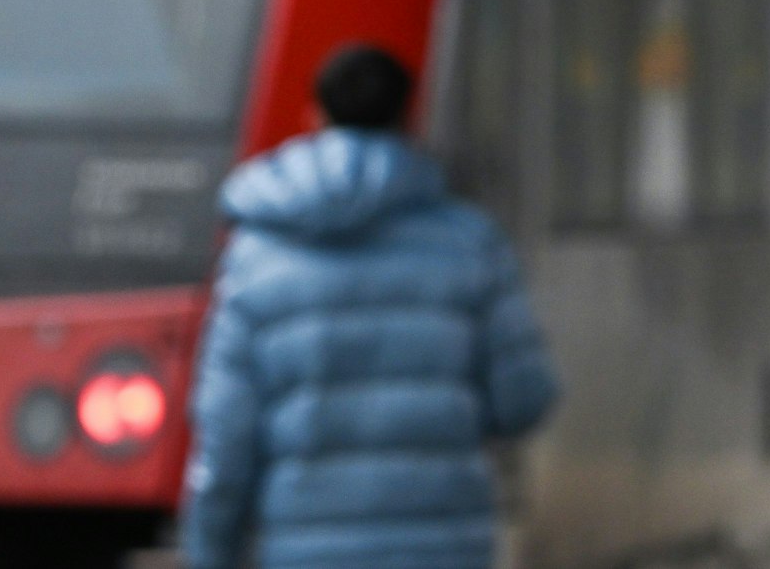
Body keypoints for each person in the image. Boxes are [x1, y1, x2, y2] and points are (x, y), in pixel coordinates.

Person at [180, 43, 559, 569]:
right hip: (440, 549)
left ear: (316, 115)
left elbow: (225, 439)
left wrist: (211, 552)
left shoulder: (255, 259)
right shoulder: (471, 244)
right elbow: (524, 399)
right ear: (409, 117)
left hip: (302, 553)